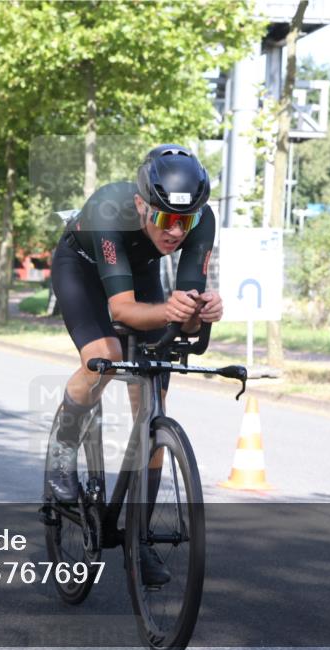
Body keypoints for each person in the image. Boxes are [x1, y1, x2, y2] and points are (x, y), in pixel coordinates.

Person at [46, 144, 223, 585]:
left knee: (152, 403)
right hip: (83, 269)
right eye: (165, 218)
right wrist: (171, 310)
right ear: (142, 205)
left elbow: (183, 309)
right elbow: (123, 311)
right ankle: (61, 457)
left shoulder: (200, 221)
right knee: (104, 357)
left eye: (185, 220)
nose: (176, 232)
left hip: (139, 270)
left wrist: (202, 309)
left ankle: (137, 537)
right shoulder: (111, 211)